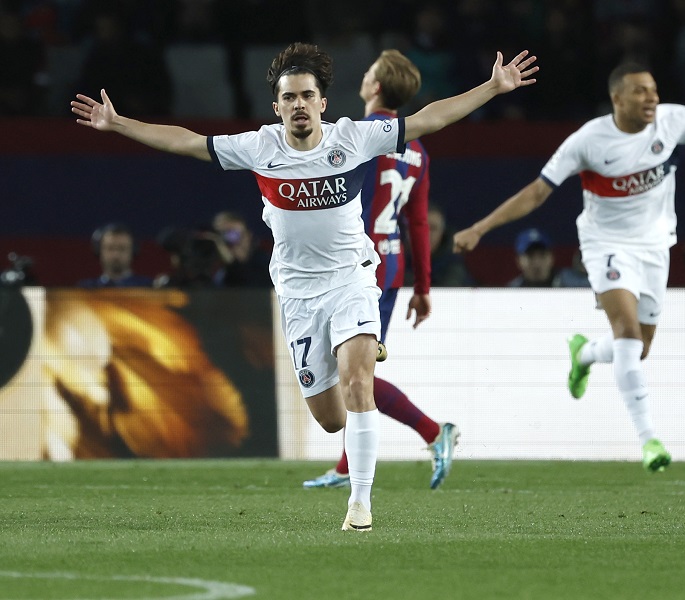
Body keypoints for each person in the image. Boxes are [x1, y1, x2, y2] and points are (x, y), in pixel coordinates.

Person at [72, 42, 537, 531]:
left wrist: (492, 87)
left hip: (352, 278)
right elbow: (186, 142)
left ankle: (360, 506)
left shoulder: (353, 137)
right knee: (332, 419)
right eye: (289, 97)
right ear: (277, 107)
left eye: (307, 95)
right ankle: (358, 399)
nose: (299, 104)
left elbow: (428, 120)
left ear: (322, 103)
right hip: (298, 296)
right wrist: (119, 123)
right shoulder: (259, 147)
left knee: (359, 383)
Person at [454, 61, 685, 473]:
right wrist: (481, 227)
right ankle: (649, 440)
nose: (651, 97)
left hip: (655, 248)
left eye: (653, 89)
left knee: (639, 347)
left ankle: (584, 353)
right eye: (640, 91)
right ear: (617, 98)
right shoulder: (587, 141)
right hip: (605, 246)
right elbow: (536, 192)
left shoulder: (672, 121)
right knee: (628, 335)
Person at [303, 49, 459, 492]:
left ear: (374, 86)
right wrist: (423, 285)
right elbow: (418, 223)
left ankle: (434, 431)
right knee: (355, 368)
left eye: (369, 71)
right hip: (391, 267)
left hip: (355, 265)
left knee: (356, 373)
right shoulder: (417, 148)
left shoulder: (360, 136)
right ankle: (346, 466)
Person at [78, 223, 153, 288]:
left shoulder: (148, 287)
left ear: (133, 252)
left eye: (122, 248)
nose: (116, 254)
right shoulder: (86, 289)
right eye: (110, 248)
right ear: (99, 251)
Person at [211, 211, 273, 287]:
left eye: (235, 234)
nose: (232, 241)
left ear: (249, 236)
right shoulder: (212, 265)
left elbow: (249, 287)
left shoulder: (265, 264)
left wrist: (233, 263)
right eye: (224, 235)